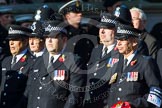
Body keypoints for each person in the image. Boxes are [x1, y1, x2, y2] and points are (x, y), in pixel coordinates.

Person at [25, 20, 87, 108]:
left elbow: (75, 95)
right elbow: (29, 90)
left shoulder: (73, 61)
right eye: (46, 37)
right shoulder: (38, 61)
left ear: (64, 39)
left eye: (53, 37)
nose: (49, 40)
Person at [106, 24, 162, 108]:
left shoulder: (145, 62)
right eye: (117, 40)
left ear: (134, 42)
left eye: (123, 39)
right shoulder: (115, 62)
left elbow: (156, 92)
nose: (118, 43)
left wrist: (134, 105)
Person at [84, 13, 119, 108]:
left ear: (115, 30)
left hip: (108, 103)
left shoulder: (120, 52)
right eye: (100, 28)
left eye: (106, 28)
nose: (102, 31)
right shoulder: (96, 49)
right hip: (90, 102)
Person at [0, 25, 34, 108]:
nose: (11, 43)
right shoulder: (6, 60)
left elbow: (30, 92)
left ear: (25, 41)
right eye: (10, 40)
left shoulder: (32, 61)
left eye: (14, 40)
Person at [58, 0, 97, 67]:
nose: (80, 14)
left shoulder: (86, 31)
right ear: (67, 16)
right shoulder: (63, 34)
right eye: (76, 12)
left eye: (80, 12)